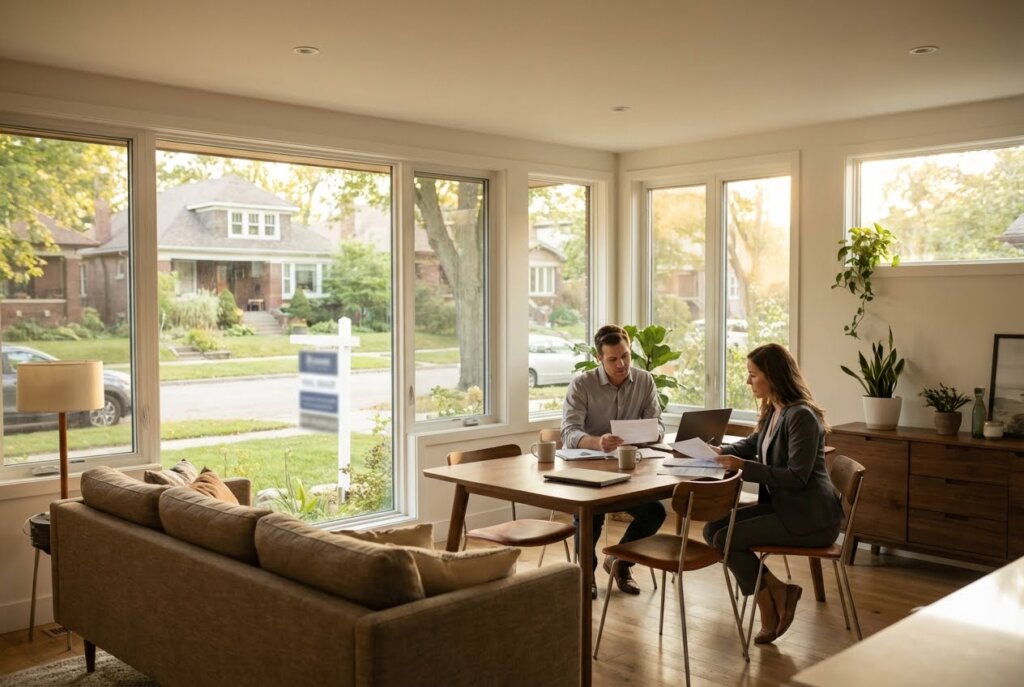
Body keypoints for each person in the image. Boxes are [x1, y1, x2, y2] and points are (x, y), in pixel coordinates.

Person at [704, 343, 842, 644]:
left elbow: (797, 477)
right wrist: (718, 452)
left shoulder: (801, 416)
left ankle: (768, 606)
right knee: (712, 530)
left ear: (774, 376)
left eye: (753, 375)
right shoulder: (774, 409)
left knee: (726, 539)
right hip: (786, 507)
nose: (748, 381)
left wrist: (744, 467)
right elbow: (752, 444)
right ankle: (778, 590)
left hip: (811, 518)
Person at [561, 324, 666, 599]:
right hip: (588, 470)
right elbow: (569, 433)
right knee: (589, 515)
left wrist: (650, 432)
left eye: (625, 356)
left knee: (655, 512)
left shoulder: (644, 381)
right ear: (599, 358)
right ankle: (586, 575)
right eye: (613, 359)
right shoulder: (582, 385)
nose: (621, 364)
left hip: (629, 471)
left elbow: (658, 426)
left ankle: (620, 562)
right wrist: (597, 442)